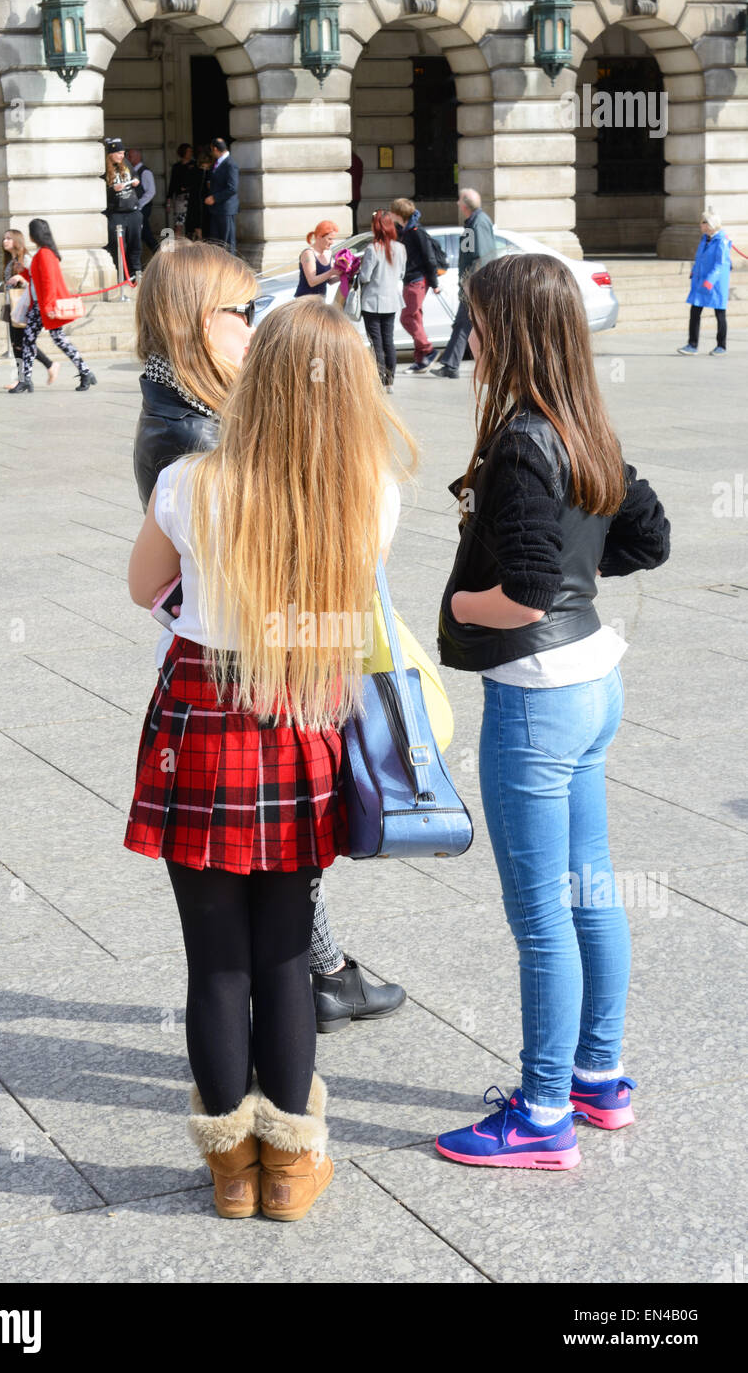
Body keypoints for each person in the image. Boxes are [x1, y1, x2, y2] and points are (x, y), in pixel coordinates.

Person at [125, 295, 416, 1221]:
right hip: (300, 711)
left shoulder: (190, 481)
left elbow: (144, 590)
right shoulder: (372, 489)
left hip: (204, 711)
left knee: (214, 960)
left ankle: (231, 1175)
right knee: (287, 952)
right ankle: (291, 1171)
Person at [435, 253, 670, 1171]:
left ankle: (539, 1116)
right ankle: (598, 1080)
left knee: (542, 917)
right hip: (592, 685)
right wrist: (581, 576)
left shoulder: (523, 443)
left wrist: (462, 609)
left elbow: (526, 593)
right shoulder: (584, 426)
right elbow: (647, 538)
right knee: (589, 890)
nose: (472, 337)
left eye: (481, 322)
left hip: (536, 699)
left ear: (515, 333)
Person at [9, 217, 96, 394]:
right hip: (41, 306)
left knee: (44, 340)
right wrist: (23, 272)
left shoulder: (44, 254)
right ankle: (84, 372)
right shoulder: (45, 252)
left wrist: (47, 306)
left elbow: (48, 282)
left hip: (44, 306)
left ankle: (84, 372)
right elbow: (38, 278)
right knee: (44, 340)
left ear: (34, 235)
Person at [431, 188, 496, 380]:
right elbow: (469, 253)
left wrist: (472, 284)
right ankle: (451, 364)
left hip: (476, 285)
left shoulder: (479, 222)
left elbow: (481, 256)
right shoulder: (472, 222)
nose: (457, 204)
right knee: (464, 323)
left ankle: (452, 364)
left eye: (459, 200)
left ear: (465, 204)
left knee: (467, 323)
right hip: (471, 283)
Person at [0, 229, 57, 390]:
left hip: (23, 305)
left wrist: (21, 279)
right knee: (16, 344)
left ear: (17, 241)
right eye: (4, 238)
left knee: (23, 343)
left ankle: (49, 365)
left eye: (9, 238)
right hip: (11, 304)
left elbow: (36, 281)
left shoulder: (26, 259)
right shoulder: (10, 260)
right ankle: (22, 379)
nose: (5, 241)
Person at [389, 197, 440, 372]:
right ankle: (421, 360)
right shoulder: (404, 230)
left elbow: (429, 258)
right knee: (416, 317)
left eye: (392, 211)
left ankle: (428, 350)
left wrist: (434, 283)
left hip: (416, 280)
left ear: (398, 214)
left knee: (407, 317)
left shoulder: (416, 231)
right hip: (410, 280)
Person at [358, 209, 406, 392]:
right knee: (389, 340)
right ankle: (390, 381)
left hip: (372, 301)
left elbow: (365, 277)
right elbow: (401, 273)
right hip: (392, 300)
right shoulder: (400, 248)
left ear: (376, 226)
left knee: (376, 342)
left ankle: (379, 379)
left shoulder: (372, 249)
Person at [677, 210, 731, 357]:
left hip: (716, 283)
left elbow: (720, 264)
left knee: (720, 313)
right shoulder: (704, 239)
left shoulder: (722, 241)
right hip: (701, 281)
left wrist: (710, 280)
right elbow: (699, 258)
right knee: (695, 311)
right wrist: (694, 270)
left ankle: (721, 345)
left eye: (703, 222)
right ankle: (692, 344)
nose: (700, 225)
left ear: (710, 225)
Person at [103, 138, 142, 282]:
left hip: (132, 211)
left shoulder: (126, 164)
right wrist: (113, 189)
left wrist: (136, 180)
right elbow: (99, 192)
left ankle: (136, 274)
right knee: (119, 247)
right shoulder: (104, 169)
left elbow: (135, 175)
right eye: (119, 153)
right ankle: (122, 276)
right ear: (111, 153)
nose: (122, 156)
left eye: (123, 153)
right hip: (116, 213)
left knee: (136, 244)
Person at [204, 137, 239, 251]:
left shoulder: (230, 164)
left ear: (214, 149)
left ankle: (231, 268)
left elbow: (232, 188)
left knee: (227, 243)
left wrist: (214, 197)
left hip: (225, 209)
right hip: (216, 209)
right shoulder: (219, 163)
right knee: (217, 243)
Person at [293, 220, 341, 299]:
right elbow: (312, 281)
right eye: (329, 239)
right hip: (304, 301)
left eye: (333, 239)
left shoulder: (328, 253)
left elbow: (330, 281)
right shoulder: (308, 253)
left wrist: (345, 275)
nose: (332, 242)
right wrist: (331, 272)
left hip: (320, 301)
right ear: (319, 237)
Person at [167, 143, 203, 240]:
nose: (190, 153)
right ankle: (178, 248)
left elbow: (198, 182)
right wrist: (169, 199)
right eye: (188, 151)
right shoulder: (176, 166)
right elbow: (172, 183)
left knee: (195, 224)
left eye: (191, 151)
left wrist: (187, 188)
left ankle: (199, 245)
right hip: (180, 199)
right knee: (178, 224)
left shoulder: (196, 165)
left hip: (193, 198)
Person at [127, 147, 157, 255]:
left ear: (137, 157)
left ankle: (160, 254)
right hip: (136, 208)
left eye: (130, 156)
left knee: (146, 234)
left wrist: (139, 205)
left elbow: (151, 191)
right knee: (142, 234)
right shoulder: (131, 171)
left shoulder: (145, 172)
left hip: (143, 208)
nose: (128, 158)